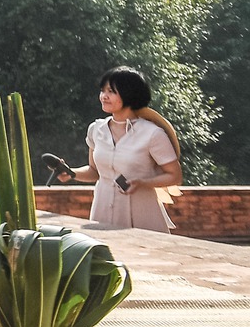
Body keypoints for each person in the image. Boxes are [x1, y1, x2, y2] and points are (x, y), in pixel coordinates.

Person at [47, 66, 182, 232]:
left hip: (141, 214)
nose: (104, 96)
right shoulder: (96, 129)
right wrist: (70, 172)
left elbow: (175, 176)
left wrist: (142, 183)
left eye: (111, 91)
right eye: (102, 91)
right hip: (102, 210)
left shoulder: (152, 134)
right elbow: (94, 171)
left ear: (129, 94)